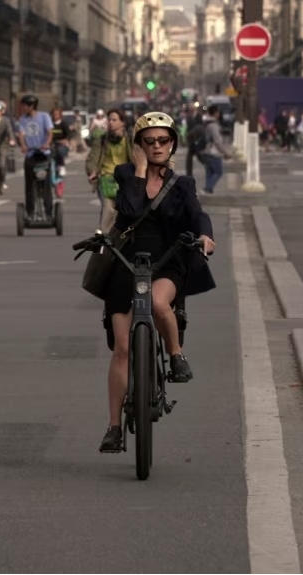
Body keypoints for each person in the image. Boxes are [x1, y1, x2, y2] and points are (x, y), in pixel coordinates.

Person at [97, 112, 216, 453]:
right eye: (149, 142)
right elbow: (132, 210)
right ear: (139, 146)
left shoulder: (182, 184)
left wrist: (205, 236)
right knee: (121, 348)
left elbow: (197, 214)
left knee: (160, 303)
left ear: (172, 143)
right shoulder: (125, 175)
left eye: (163, 140)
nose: (157, 147)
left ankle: (176, 355)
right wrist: (136, 171)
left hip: (166, 260)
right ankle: (114, 427)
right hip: (127, 261)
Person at [85, 109, 130, 233]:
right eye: (109, 119)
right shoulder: (102, 139)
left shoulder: (130, 139)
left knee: (123, 209)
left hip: (125, 179)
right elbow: (93, 157)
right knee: (108, 208)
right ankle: (104, 237)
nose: (110, 122)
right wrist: (92, 172)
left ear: (122, 123)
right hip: (105, 178)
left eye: (114, 120)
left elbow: (137, 158)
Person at [16, 94, 54, 218]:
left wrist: (47, 144)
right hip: (31, 154)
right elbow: (21, 134)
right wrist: (23, 145)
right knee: (29, 185)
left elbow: (49, 132)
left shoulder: (44, 117)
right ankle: (30, 212)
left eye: (24, 106)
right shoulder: (23, 119)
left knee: (46, 185)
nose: (22, 108)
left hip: (43, 155)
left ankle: (49, 212)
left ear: (31, 106)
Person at [197, 105, 230, 194]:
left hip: (204, 151)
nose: (219, 114)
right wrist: (225, 153)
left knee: (210, 172)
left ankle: (208, 189)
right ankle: (207, 188)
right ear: (215, 113)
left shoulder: (206, 123)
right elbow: (217, 142)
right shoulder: (214, 125)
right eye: (218, 112)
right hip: (213, 152)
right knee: (218, 172)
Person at [49, 107, 72, 177]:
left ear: (60, 115)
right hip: (51, 143)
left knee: (60, 151)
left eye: (57, 114)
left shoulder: (63, 124)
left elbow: (69, 134)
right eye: (54, 114)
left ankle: (62, 166)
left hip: (61, 143)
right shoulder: (49, 123)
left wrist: (65, 140)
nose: (55, 116)